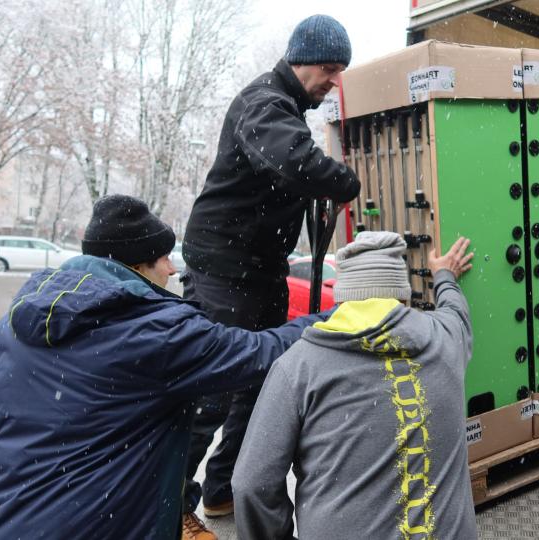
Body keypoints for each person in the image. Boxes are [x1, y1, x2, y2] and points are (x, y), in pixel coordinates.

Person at [0, 195, 327, 540]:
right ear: (137, 266)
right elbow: (258, 353)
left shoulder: (8, 328)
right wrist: (337, 317)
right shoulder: (150, 332)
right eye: (163, 258)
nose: (173, 269)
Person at [179, 14, 361, 531]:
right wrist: (345, 180)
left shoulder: (288, 109)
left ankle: (222, 490)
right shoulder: (263, 103)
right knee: (212, 388)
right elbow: (296, 162)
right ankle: (173, 507)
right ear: (302, 60)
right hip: (223, 268)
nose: (334, 81)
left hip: (260, 270)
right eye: (330, 69)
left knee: (261, 385)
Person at [232, 232, 477, 540]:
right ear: (403, 296)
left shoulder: (298, 367)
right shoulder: (446, 339)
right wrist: (444, 275)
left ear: (342, 299)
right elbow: (456, 310)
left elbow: (251, 484)